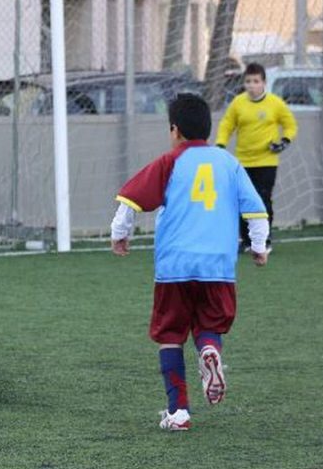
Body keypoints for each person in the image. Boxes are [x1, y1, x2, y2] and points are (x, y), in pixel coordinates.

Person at [111, 93, 270, 431]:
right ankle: (209, 350)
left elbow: (131, 200)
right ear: (208, 130)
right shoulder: (229, 163)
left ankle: (178, 411)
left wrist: (118, 234)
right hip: (218, 266)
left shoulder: (170, 162)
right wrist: (259, 246)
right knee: (209, 324)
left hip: (174, 267)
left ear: (175, 130)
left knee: (170, 333)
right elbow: (256, 210)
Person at [215, 62, 296, 251]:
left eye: (256, 81)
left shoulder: (275, 103)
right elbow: (227, 125)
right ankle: (246, 240)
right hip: (243, 161)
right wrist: (220, 144)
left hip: (267, 161)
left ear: (264, 83)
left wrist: (284, 141)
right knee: (242, 200)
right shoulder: (238, 103)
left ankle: (264, 240)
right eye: (248, 81)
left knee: (263, 199)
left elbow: (290, 124)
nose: (252, 85)